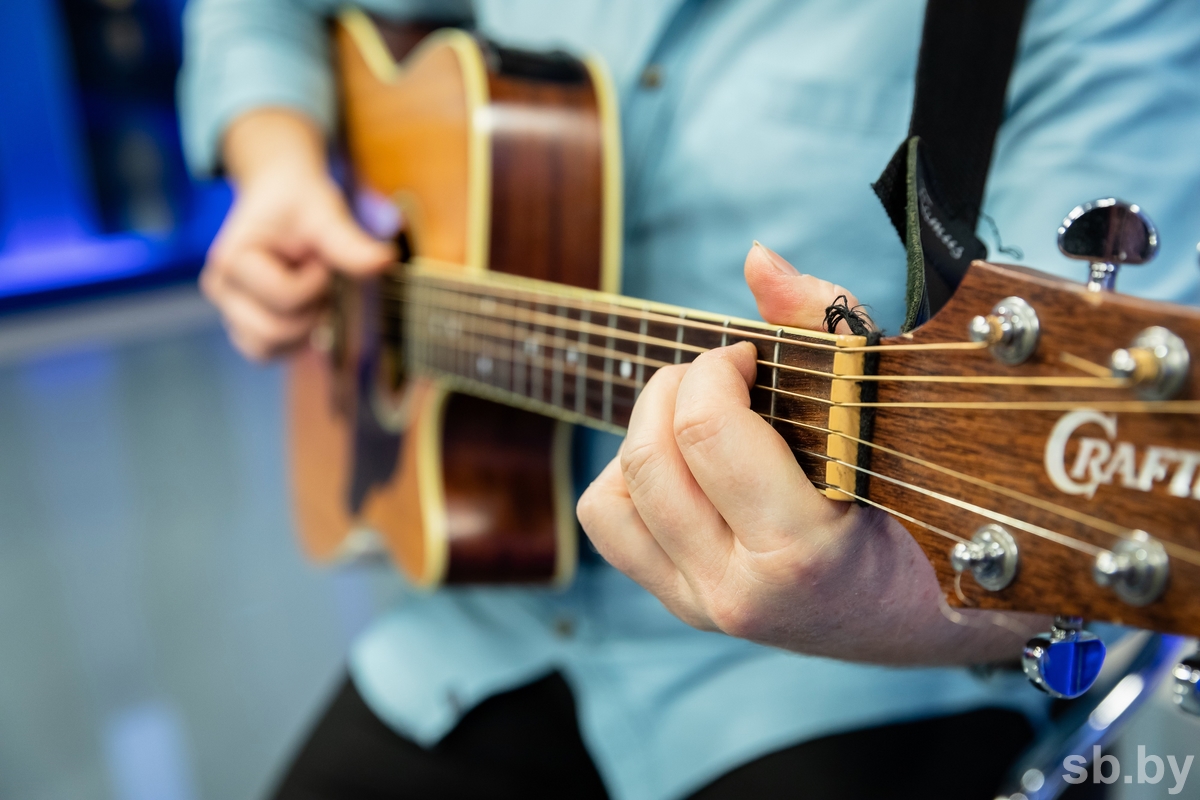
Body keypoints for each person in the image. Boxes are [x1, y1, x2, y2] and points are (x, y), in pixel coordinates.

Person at [180, 1, 1200, 797]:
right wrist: (276, 169)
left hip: (822, 686)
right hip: (477, 634)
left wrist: (890, 600)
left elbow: (1086, 482)